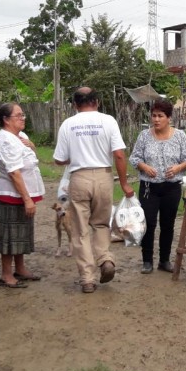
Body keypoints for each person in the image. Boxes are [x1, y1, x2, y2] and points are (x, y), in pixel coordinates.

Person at [53, 87, 135, 293]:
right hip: (103, 177)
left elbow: (59, 159)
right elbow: (118, 155)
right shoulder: (108, 121)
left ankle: (87, 278)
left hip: (79, 178)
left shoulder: (68, 124)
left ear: (74, 105)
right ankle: (105, 259)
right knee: (101, 224)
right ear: (97, 102)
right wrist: (124, 183)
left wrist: (76, 154)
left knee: (80, 229)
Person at [129, 99, 186, 274]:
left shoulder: (180, 136)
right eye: (154, 116)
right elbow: (134, 158)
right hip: (148, 187)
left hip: (171, 187)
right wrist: (144, 167)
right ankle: (147, 261)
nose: (156, 119)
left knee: (168, 224)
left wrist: (178, 167)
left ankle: (165, 260)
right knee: (149, 224)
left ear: (169, 118)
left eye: (160, 116)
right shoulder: (144, 136)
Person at [0, 103, 45, 287]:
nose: (23, 118)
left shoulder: (20, 136)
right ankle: (6, 274)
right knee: (9, 235)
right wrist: (27, 199)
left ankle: (20, 268)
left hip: (22, 194)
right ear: (6, 120)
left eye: (23, 115)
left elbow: (32, 159)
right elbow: (14, 172)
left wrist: (32, 145)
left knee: (21, 232)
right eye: (18, 115)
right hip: (11, 195)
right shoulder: (6, 140)